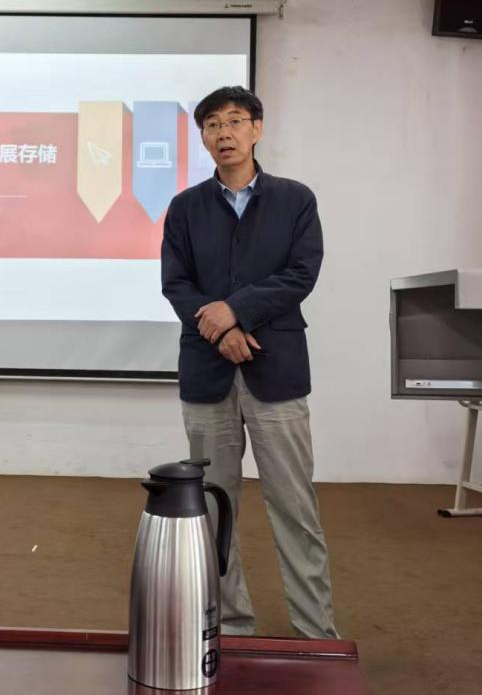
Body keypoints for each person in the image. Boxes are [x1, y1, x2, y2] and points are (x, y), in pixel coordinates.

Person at [159, 85, 338, 639]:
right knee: (212, 509)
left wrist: (235, 312)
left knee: (295, 507)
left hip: (275, 370)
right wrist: (220, 330)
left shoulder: (294, 199)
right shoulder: (185, 207)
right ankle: (229, 626)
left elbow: (301, 274)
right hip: (207, 372)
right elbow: (176, 284)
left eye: (235, 121)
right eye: (212, 125)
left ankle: (315, 632)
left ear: (257, 129)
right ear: (203, 137)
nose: (224, 133)